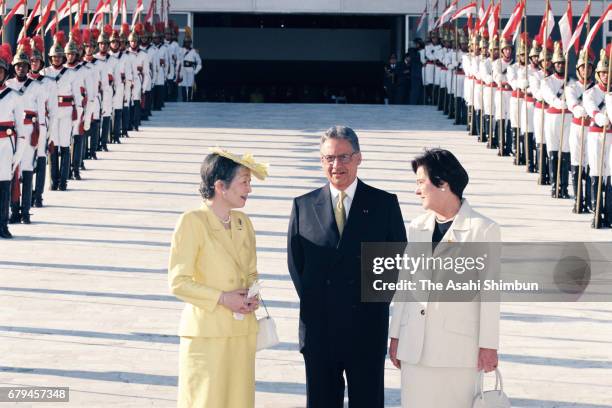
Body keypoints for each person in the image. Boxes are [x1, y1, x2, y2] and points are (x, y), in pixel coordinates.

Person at [287, 126, 406, 408]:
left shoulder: (383, 204)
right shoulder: (303, 205)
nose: (336, 165)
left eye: (343, 157)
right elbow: (297, 265)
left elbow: (394, 267)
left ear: (358, 158)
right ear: (321, 160)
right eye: (329, 158)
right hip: (320, 330)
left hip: (365, 328)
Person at [389, 148, 500, 408]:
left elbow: (490, 295)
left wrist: (489, 346)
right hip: (414, 347)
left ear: (443, 183)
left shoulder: (483, 230)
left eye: (420, 183)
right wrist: (395, 336)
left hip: (458, 352)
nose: (417, 191)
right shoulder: (417, 227)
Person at [168, 147, 268, 407]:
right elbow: (178, 282)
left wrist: (253, 297)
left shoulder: (243, 223)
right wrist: (222, 298)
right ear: (221, 186)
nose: (249, 189)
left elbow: (252, 272)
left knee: (239, 401)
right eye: (244, 182)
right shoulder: (192, 221)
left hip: (241, 330)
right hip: (207, 335)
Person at [6, 38, 46, 225]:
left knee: (28, 168)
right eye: (18, 66)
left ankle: (26, 210)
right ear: (13, 67)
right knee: (14, 171)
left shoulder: (36, 86)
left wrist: (42, 137)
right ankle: (14, 210)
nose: (21, 68)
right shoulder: (8, 86)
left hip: (30, 131)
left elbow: (41, 113)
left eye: (24, 65)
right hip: (12, 132)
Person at [0, 43, 26, 239]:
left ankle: (2, 223)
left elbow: (22, 130)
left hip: (6, 146)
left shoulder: (14, 96)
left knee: (4, 185)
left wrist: (17, 155)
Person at [177, 26, 202, 102]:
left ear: (190, 43)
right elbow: (179, 61)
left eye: (189, 42)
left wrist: (195, 71)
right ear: (184, 43)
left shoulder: (194, 51)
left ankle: (190, 99)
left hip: (191, 69)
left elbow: (199, 63)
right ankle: (184, 99)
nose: (187, 43)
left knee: (190, 86)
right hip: (183, 69)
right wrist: (178, 72)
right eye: (186, 42)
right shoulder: (180, 50)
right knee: (183, 85)